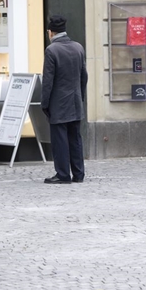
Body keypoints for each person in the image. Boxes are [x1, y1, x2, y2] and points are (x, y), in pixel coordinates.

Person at [41, 15, 88, 184]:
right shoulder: (78, 47)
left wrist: (44, 104)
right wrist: (80, 97)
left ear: (51, 32)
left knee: (60, 140)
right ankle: (79, 173)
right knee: (75, 138)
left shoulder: (51, 50)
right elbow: (84, 76)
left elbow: (48, 81)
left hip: (58, 103)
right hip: (75, 101)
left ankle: (62, 174)